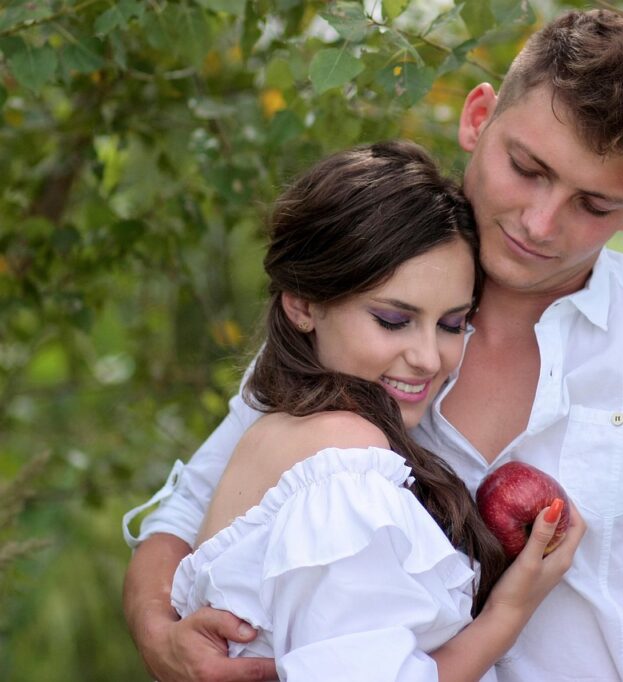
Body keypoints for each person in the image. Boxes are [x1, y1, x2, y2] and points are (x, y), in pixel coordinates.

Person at [123, 9, 623, 682]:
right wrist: (161, 636)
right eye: (526, 168)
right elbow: (188, 513)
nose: (540, 221)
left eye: (594, 205)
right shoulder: (356, 314)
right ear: (477, 118)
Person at [143, 140, 585, 681]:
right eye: (393, 320)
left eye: (451, 325)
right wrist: (507, 614)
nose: (428, 358)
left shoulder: (285, 432)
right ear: (303, 304)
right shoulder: (342, 466)